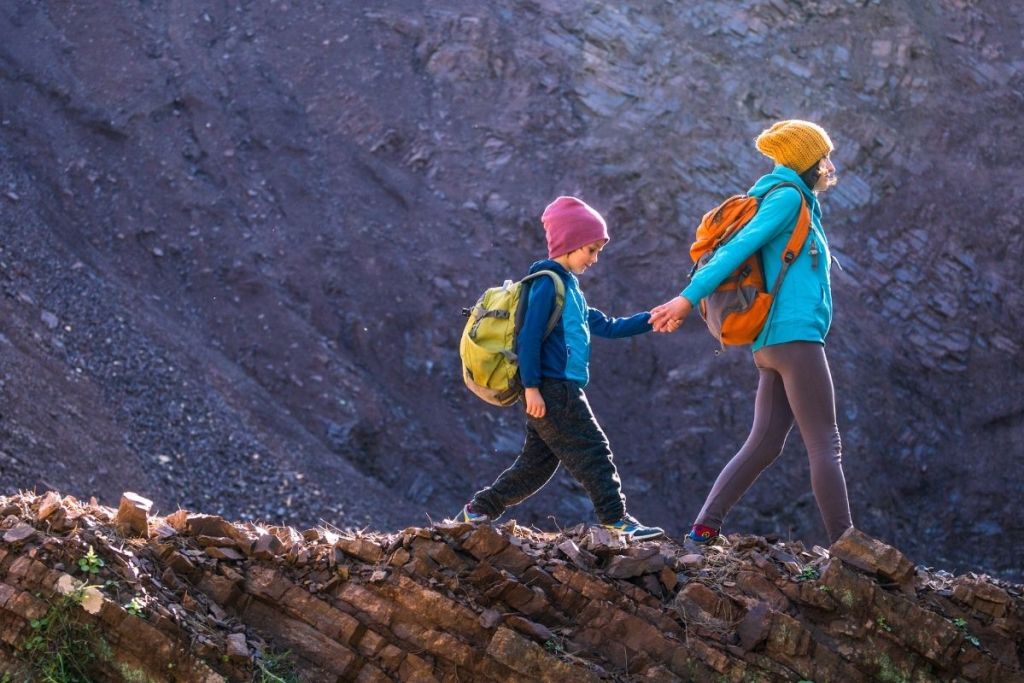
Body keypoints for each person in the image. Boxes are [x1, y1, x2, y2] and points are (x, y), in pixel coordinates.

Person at [650, 119, 854, 545]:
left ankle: (703, 530)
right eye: (823, 157)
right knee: (825, 443)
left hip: (773, 344)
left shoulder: (790, 199)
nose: (830, 164)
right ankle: (847, 547)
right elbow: (734, 252)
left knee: (765, 443)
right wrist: (686, 299)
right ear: (805, 163)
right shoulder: (786, 199)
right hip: (794, 339)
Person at [457, 195, 664, 540]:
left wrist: (655, 319)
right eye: (591, 250)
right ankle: (616, 519)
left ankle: (477, 511)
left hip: (555, 388)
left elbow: (609, 325)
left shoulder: (570, 290)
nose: (595, 259)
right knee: (594, 449)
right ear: (570, 244)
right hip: (554, 389)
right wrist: (533, 387)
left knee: (536, 465)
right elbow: (528, 337)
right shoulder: (546, 284)